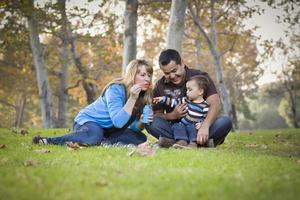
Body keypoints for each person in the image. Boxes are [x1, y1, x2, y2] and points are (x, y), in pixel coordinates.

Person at [32, 59, 153, 146]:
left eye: (149, 75)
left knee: (140, 138)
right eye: (143, 75)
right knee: (94, 136)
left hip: (109, 130)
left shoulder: (144, 96)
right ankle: (49, 141)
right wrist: (132, 99)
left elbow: (133, 127)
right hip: (90, 121)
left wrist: (142, 122)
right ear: (132, 75)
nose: (147, 79)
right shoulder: (115, 88)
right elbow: (118, 122)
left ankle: (106, 142)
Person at [146, 49, 232, 148]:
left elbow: (215, 103)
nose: (172, 76)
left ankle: (171, 143)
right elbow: (157, 115)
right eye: (167, 73)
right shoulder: (160, 85)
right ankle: (197, 144)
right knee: (150, 122)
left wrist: (205, 126)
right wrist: (172, 115)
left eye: (174, 70)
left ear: (182, 63)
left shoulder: (200, 77)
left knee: (225, 122)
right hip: (176, 129)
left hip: (199, 127)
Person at [153, 75, 212, 148]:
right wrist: (163, 99)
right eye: (187, 90)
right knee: (177, 126)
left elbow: (206, 117)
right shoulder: (185, 100)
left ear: (200, 91)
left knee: (193, 128)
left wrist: (202, 124)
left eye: (190, 90)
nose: (187, 92)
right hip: (183, 124)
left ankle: (193, 143)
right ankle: (182, 141)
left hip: (194, 127)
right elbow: (173, 102)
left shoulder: (205, 106)